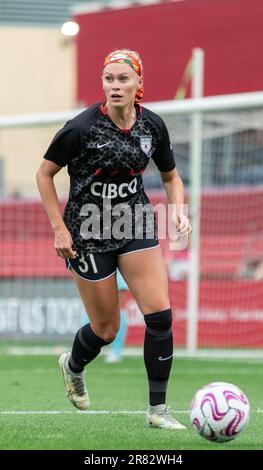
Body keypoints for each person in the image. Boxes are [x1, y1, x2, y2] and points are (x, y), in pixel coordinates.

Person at [36, 49, 192, 430]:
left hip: (134, 223)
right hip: (86, 231)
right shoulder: (81, 127)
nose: (115, 85)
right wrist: (60, 228)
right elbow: (44, 174)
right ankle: (73, 366)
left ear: (139, 82)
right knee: (106, 329)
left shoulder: (152, 126)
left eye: (123, 78)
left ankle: (158, 411)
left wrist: (178, 209)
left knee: (160, 315)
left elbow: (170, 175)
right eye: (109, 79)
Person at [105, 269, 129, 363]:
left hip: (117, 270)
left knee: (119, 311)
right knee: (92, 312)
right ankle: (88, 349)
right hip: (101, 271)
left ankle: (116, 351)